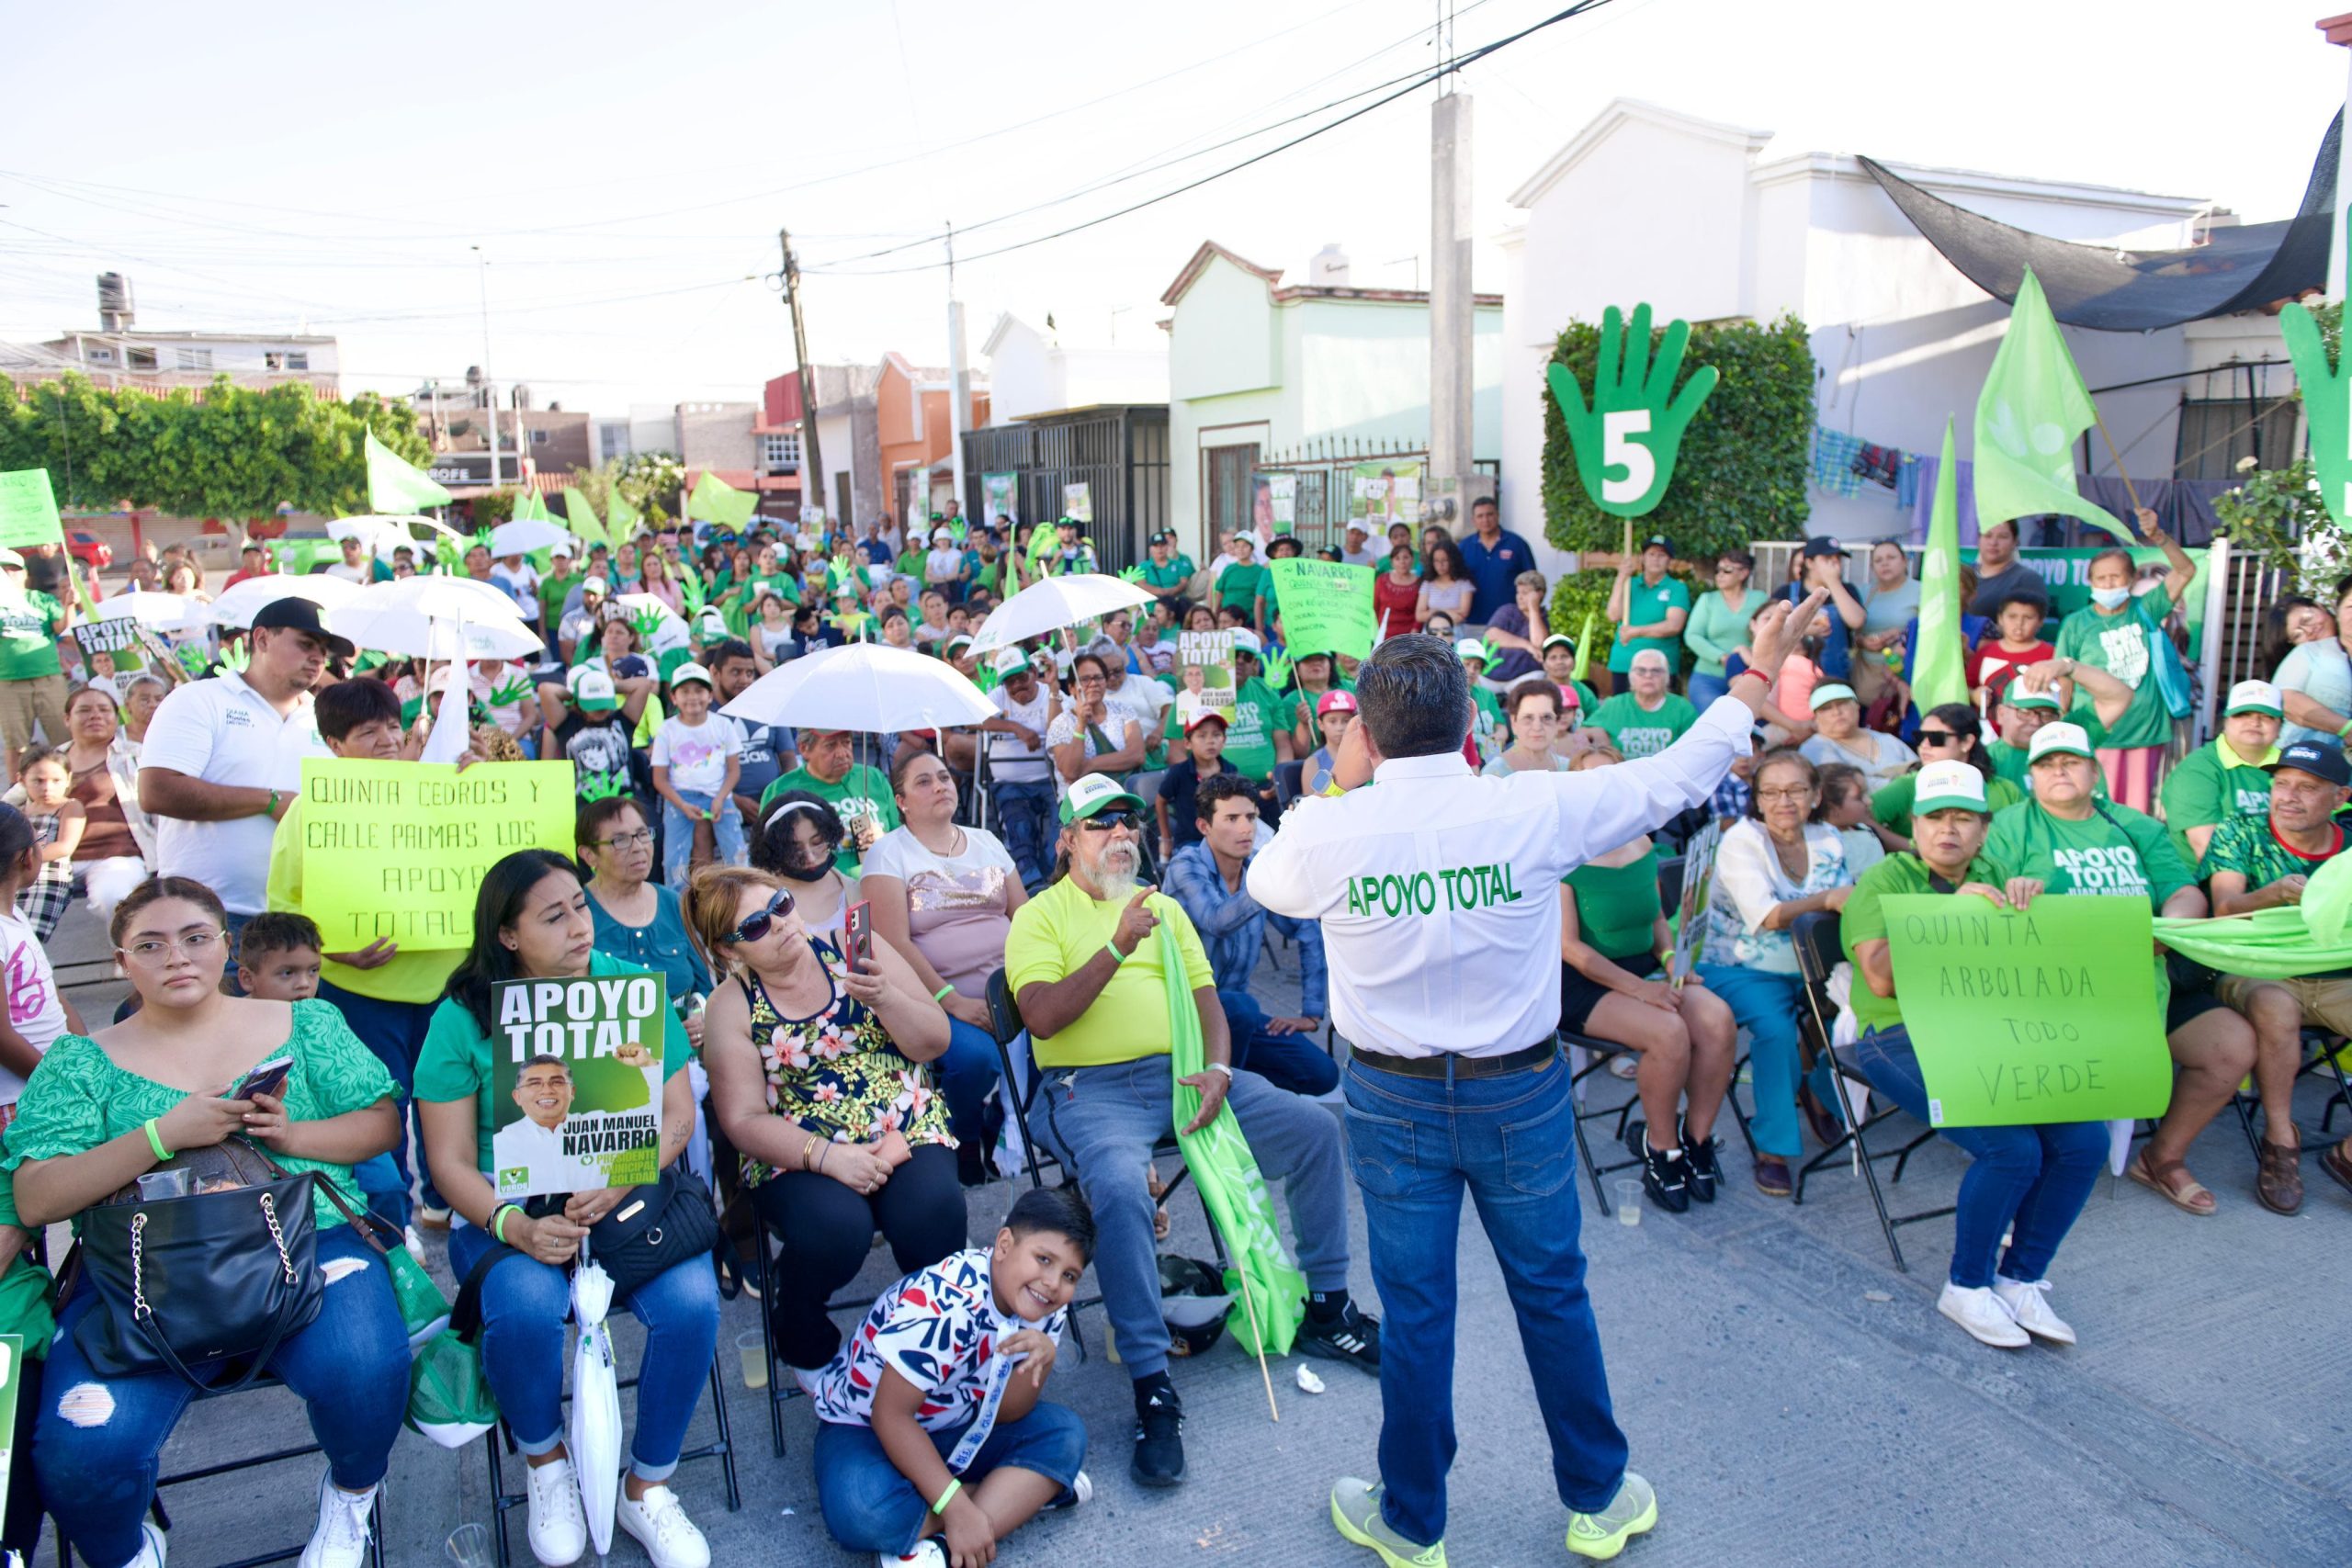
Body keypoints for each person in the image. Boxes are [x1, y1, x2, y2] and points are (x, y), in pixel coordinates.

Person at [1245, 594, 1826, 1567]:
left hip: (1391, 1097)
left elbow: (1270, 881)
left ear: (1369, 736)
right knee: (1552, 1290)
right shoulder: (1530, 804)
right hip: (1517, 1089)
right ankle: (1596, 1497)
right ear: (1474, 722)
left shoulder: (1325, 832)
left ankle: (1412, 1520)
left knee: (1418, 1307)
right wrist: (1753, 679)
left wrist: (1339, 784)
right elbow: (1679, 776)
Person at [9, 875, 403, 1568]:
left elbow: (380, 1123)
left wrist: (291, 1134)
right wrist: (161, 1134)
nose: (176, 956)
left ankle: (350, 1500)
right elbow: (38, 1197)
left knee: (367, 1366)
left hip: (308, 1248)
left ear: (225, 947)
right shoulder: (82, 1061)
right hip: (141, 1278)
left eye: (195, 937)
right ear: (121, 962)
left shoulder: (305, 1022)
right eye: (150, 944)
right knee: (80, 1448)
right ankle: (129, 1550)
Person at [1007, 774, 1378, 1487]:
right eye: (1099, 825)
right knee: (1118, 1185)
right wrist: (1115, 946)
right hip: (1093, 1091)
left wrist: (1218, 1069)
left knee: (1312, 1127)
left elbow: (1208, 1002)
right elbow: (1043, 1018)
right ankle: (1151, 1382)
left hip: (1184, 1072)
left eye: (1128, 823)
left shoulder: (1164, 907)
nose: (1121, 835)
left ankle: (1329, 1306)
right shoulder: (1039, 916)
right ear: (1066, 841)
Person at [413, 851, 716, 1568]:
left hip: (624, 1193)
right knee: (521, 1309)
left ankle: (646, 1486)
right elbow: (448, 1161)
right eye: (555, 916)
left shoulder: (631, 987)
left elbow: (678, 1114)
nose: (581, 925)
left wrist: (625, 1169)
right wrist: (510, 1223)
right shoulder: (461, 1020)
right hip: (506, 1208)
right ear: (508, 935)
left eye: (580, 906)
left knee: (694, 1304)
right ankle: (546, 1461)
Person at [1840, 760, 2103, 1348]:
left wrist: (2032, 905)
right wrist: (1951, 916)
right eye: (1936, 818)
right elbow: (1880, 980)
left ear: (1984, 830)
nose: (1949, 830)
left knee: (2084, 1140)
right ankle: (1965, 1285)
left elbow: (2040, 958)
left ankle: (2020, 1277)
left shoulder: (1997, 871)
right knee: (2011, 1148)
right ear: (1915, 825)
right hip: (1898, 1035)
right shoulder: (1884, 881)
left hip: (1990, 1030)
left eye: (1964, 818)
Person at [690, 863, 961, 1378]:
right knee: (835, 1231)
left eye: (782, 905)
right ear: (729, 950)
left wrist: (884, 997)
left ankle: (935, 1335)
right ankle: (802, 1333)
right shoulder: (732, 1004)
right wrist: (830, 1157)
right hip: (799, 1146)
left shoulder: (855, 948)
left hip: (903, 1121)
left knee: (931, 1210)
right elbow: (742, 1119)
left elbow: (935, 1041)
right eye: (755, 927)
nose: (781, 924)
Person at [1982, 721, 2253, 1218]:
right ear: (2032, 776)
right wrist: (2012, 894)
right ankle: (2038, 1171)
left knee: (2231, 1047)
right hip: (2054, 994)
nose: (2059, 770)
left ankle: (2162, 1157)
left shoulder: (2136, 825)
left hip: (2140, 984)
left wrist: (2168, 930)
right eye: (2046, 763)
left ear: (2094, 769)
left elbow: (2184, 891)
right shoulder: (2008, 828)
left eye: (2071, 761)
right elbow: (1983, 902)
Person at [268, 676, 467, 1229]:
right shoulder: (309, 812)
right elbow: (285, 907)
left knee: (448, 1096)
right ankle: (394, 1217)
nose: (386, 739)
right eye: (367, 731)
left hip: (445, 985)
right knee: (378, 1104)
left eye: (392, 727)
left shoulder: (440, 790)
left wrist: (480, 782)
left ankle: (447, 1197)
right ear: (334, 745)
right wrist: (335, 955)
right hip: (361, 990)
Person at [808, 1187, 1093, 1567]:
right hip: (865, 1427)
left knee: (1066, 1434)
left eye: (1069, 1275)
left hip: (959, 1422)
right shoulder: (948, 1303)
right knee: (860, 1510)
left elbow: (1008, 1412)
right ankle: (1014, 1497)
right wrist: (956, 1505)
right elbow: (889, 1417)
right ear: (1005, 1244)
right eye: (1043, 1259)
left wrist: (1038, 1356)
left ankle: (939, 1547)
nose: (1053, 1283)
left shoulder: (1045, 1305)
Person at [1560, 739, 1741, 1211]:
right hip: (1582, 982)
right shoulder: (1563, 851)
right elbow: (1570, 948)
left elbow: (1657, 921)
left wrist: (1671, 966)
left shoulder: (1641, 840)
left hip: (1646, 969)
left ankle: (1697, 1140)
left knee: (1718, 1019)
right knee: (1668, 1032)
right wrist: (1642, 990)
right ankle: (1661, 1149)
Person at [2199, 737, 2352, 1216]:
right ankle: (2280, 1137)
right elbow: (2223, 910)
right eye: (2281, 784)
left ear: (2340, 798)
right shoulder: (2241, 831)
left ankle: (2347, 1156)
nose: (2288, 796)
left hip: (2337, 974)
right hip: (2255, 969)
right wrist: (2270, 895)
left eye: (2307, 788)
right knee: (2276, 1005)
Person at [139, 596, 342, 946]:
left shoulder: (325, 719)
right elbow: (157, 790)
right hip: (209, 918)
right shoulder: (199, 700)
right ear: (261, 639)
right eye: (306, 644)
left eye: (324, 650)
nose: (317, 658)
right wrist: (270, 801)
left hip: (303, 921)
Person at [1696, 749, 1854, 1197]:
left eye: (1796, 790)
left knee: (1852, 1006)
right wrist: (1826, 900)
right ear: (1758, 799)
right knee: (1776, 1030)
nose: (1784, 801)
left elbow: (1847, 901)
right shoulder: (1741, 842)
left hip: (1812, 966)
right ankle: (1774, 1147)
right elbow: (1766, 916)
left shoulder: (1827, 837)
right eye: (1772, 791)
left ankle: (1817, 1088)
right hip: (1739, 965)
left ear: (1816, 794)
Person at [861, 750, 1021, 1168]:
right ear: (901, 801)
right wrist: (952, 1001)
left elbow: (1023, 918)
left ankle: (1013, 1127)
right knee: (975, 1060)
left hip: (1013, 991)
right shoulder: (889, 854)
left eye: (945, 777)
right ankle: (963, 1133)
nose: (940, 786)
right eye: (924, 781)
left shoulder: (986, 841)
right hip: (937, 1001)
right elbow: (893, 942)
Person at [1164, 773, 1337, 1097]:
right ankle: (1228, 1097)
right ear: (1204, 827)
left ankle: (1238, 1081)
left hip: (1239, 1021)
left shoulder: (1256, 868)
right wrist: (1273, 874)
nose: (1246, 828)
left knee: (1322, 1074)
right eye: (1231, 818)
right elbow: (1217, 919)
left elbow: (1307, 930)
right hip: (1184, 1014)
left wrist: (1311, 1014)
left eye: (1251, 817)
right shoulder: (1185, 866)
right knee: (1242, 1006)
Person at [2051, 514, 2195, 811]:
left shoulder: (2148, 608)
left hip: (2144, 729)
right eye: (2101, 579)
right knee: (2093, 806)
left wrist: (2159, 536)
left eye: (2115, 577)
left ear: (2130, 580)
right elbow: (2064, 681)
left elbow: (2186, 570)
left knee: (2135, 811)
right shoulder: (2076, 624)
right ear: (2090, 582)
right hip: (2095, 731)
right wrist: (2062, 723)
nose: (2108, 584)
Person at [579, 795, 715, 1017]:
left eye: (642, 834)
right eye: (620, 840)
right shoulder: (579, 912)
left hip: (681, 1046)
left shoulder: (673, 903)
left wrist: (700, 1016)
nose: (638, 847)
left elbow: (705, 987)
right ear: (589, 855)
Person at [0, 802, 81, 1130]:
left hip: (44, 1085)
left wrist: (86, 1056)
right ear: (26, 857)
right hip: (18, 1099)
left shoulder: (15, 917)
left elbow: (51, 992)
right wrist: (58, 1080)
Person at [2159, 679, 2282, 863]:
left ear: (2280, 726)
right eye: (2243, 714)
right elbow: (2209, 851)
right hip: (2208, 883)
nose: (2254, 722)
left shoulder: (2293, 767)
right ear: (2226, 720)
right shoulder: (2197, 770)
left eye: (2266, 717)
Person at [1870, 703, 2022, 847]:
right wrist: (1916, 851)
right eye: (1920, 737)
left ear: (1967, 742)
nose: (1925, 745)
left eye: (1936, 738)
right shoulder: (1907, 786)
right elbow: (1859, 818)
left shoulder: (2007, 790)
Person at [650, 661, 747, 886]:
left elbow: (733, 770)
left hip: (719, 795)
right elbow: (659, 779)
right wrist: (682, 804)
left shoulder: (723, 725)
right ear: (674, 697)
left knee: (737, 853)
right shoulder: (666, 729)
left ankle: (746, 897)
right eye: (684, 691)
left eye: (699, 691)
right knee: (675, 861)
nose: (692, 697)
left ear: (710, 695)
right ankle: (677, 906)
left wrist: (721, 798)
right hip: (679, 799)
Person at [759, 728, 899, 873]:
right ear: (804, 749)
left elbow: (900, 835)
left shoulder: (873, 778)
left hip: (878, 879)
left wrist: (883, 840)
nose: (842, 753)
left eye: (846, 743)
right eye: (830, 746)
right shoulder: (782, 790)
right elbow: (767, 855)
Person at [980, 649, 1057, 891]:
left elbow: (1062, 723)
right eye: (1010, 682)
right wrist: (1016, 728)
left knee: (1062, 819)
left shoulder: (1049, 694)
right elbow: (972, 718)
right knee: (1018, 822)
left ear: (1033, 672)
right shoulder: (999, 695)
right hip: (1009, 781)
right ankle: (1031, 880)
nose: (1017, 686)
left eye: (1021, 678)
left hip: (1048, 779)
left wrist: (1056, 689)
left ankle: (1055, 872)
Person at [752, 791, 864, 942]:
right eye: (795, 849)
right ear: (774, 849)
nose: (810, 858)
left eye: (817, 842)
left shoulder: (856, 891)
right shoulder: (760, 903)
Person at [0, 547, 70, 784]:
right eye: (3, 569)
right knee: (16, 744)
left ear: (25, 573)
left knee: (63, 738)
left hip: (49, 678)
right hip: (8, 682)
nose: (9, 574)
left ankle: (69, 784)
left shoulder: (41, 600)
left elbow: (64, 630)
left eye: (14, 569)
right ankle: (14, 795)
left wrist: (70, 604)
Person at [1603, 536, 1690, 695]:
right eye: (1651, 554)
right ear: (1642, 558)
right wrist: (1621, 577)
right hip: (1625, 662)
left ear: (1669, 560)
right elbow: (1613, 615)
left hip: (1661, 664)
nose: (1656, 559)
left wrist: (1635, 631)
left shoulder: (1677, 588)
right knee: (1624, 713)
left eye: (1662, 555)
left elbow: (1673, 626)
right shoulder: (1630, 584)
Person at [1047, 651, 1148, 788]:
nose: (1093, 683)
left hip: (1126, 793)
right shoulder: (1061, 723)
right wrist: (1081, 725)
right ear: (1071, 688)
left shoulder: (1123, 711)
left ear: (1105, 682)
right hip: (1084, 800)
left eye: (1099, 677)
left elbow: (1137, 755)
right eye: (1085, 679)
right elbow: (1070, 772)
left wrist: (1091, 764)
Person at [1586, 649, 1700, 760]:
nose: (1648, 676)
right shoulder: (1614, 705)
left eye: (1656, 671)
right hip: (1623, 774)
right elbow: (1581, 732)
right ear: (1631, 676)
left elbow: (1696, 747)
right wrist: (1598, 733)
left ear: (1667, 677)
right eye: (1641, 671)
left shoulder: (1682, 708)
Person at [1799, 682, 1917, 789]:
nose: (1836, 712)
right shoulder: (1816, 747)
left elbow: (1919, 769)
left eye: (1842, 704)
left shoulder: (1887, 740)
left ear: (1857, 705)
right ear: (1815, 717)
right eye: (1826, 708)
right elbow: (1841, 786)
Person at [1154, 709, 1235, 861]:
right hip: (1189, 843)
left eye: (1216, 735)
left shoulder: (1230, 770)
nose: (1210, 741)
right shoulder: (1179, 772)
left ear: (1224, 740)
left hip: (1225, 841)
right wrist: (1166, 838)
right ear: (1187, 743)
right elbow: (1161, 800)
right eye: (1202, 736)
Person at [1682, 548, 1758, 707]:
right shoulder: (1707, 600)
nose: (1720, 575)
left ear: (1744, 573)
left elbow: (1767, 633)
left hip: (1747, 676)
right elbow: (1693, 635)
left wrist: (1746, 656)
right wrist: (1721, 657)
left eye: (1727, 570)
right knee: (1712, 725)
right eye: (1718, 570)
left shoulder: (1759, 599)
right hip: (1708, 677)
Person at [1781, 536, 1864, 682]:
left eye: (1837, 558)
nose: (1834, 562)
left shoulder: (1848, 590)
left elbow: (1857, 621)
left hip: (1836, 675)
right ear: (1809, 562)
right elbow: (1772, 628)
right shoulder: (1786, 592)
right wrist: (1803, 629)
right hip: (1794, 676)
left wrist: (1833, 581)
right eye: (1827, 558)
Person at [1849, 539, 1919, 707]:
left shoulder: (1921, 590)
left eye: (1891, 557)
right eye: (1878, 560)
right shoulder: (1864, 592)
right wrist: (1863, 641)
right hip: (1869, 674)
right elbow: (1849, 631)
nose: (1885, 564)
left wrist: (1903, 636)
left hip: (1906, 672)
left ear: (1904, 560)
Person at [1968, 592, 2056, 715]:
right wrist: (1973, 695)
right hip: (1989, 729)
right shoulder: (1985, 652)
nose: (2019, 623)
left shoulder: (2050, 655)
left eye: (2028, 617)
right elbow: (1966, 686)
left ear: (2041, 621)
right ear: (2000, 619)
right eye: (2012, 616)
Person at [1456, 496, 1537, 626]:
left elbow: (1533, 581)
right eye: (1480, 516)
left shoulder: (1517, 544)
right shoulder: (1464, 547)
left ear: (1498, 515)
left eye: (1490, 514)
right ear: (1473, 520)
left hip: (1511, 622)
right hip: (1472, 623)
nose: (1485, 520)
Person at [1484, 679, 1573, 777]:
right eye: (1528, 718)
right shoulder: (1494, 774)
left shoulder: (1569, 770)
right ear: (1514, 723)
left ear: (1557, 722)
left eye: (1547, 717)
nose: (1537, 727)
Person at [1481, 570, 1550, 688]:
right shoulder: (1508, 610)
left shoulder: (1546, 618)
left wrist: (1533, 609)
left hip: (1526, 675)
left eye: (1525, 592)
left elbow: (1539, 643)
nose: (1520, 597)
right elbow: (1491, 635)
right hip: (1492, 674)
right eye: (1518, 592)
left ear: (1539, 594)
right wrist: (1527, 646)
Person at [1302, 689, 1356, 795]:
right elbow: (1311, 806)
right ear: (1320, 725)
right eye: (1332, 721)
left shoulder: (1367, 755)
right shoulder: (1313, 763)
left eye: (1346, 720)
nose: (1340, 727)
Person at [1216, 532, 1270, 635]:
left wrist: (1260, 625)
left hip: (1250, 621)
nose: (1241, 549)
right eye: (1238, 546)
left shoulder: (1260, 571)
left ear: (1252, 549)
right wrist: (1215, 615)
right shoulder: (1229, 569)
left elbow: (1263, 600)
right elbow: (1219, 594)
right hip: (1227, 623)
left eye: (1245, 546)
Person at [1417, 539, 1476, 631]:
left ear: (1453, 560)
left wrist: (1431, 612)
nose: (1440, 565)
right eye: (1436, 561)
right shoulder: (1427, 583)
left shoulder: (1464, 583)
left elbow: (1463, 614)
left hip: (1455, 633)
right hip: (1430, 634)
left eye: (1445, 560)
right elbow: (1419, 615)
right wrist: (1449, 613)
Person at [1374, 542, 1423, 640]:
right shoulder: (1382, 580)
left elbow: (1420, 611)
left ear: (1412, 560)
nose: (1402, 562)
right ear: (1392, 562)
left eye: (1406, 557)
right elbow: (1375, 607)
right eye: (1397, 558)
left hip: (1410, 637)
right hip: (1383, 635)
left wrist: (1415, 632)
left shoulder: (1420, 582)